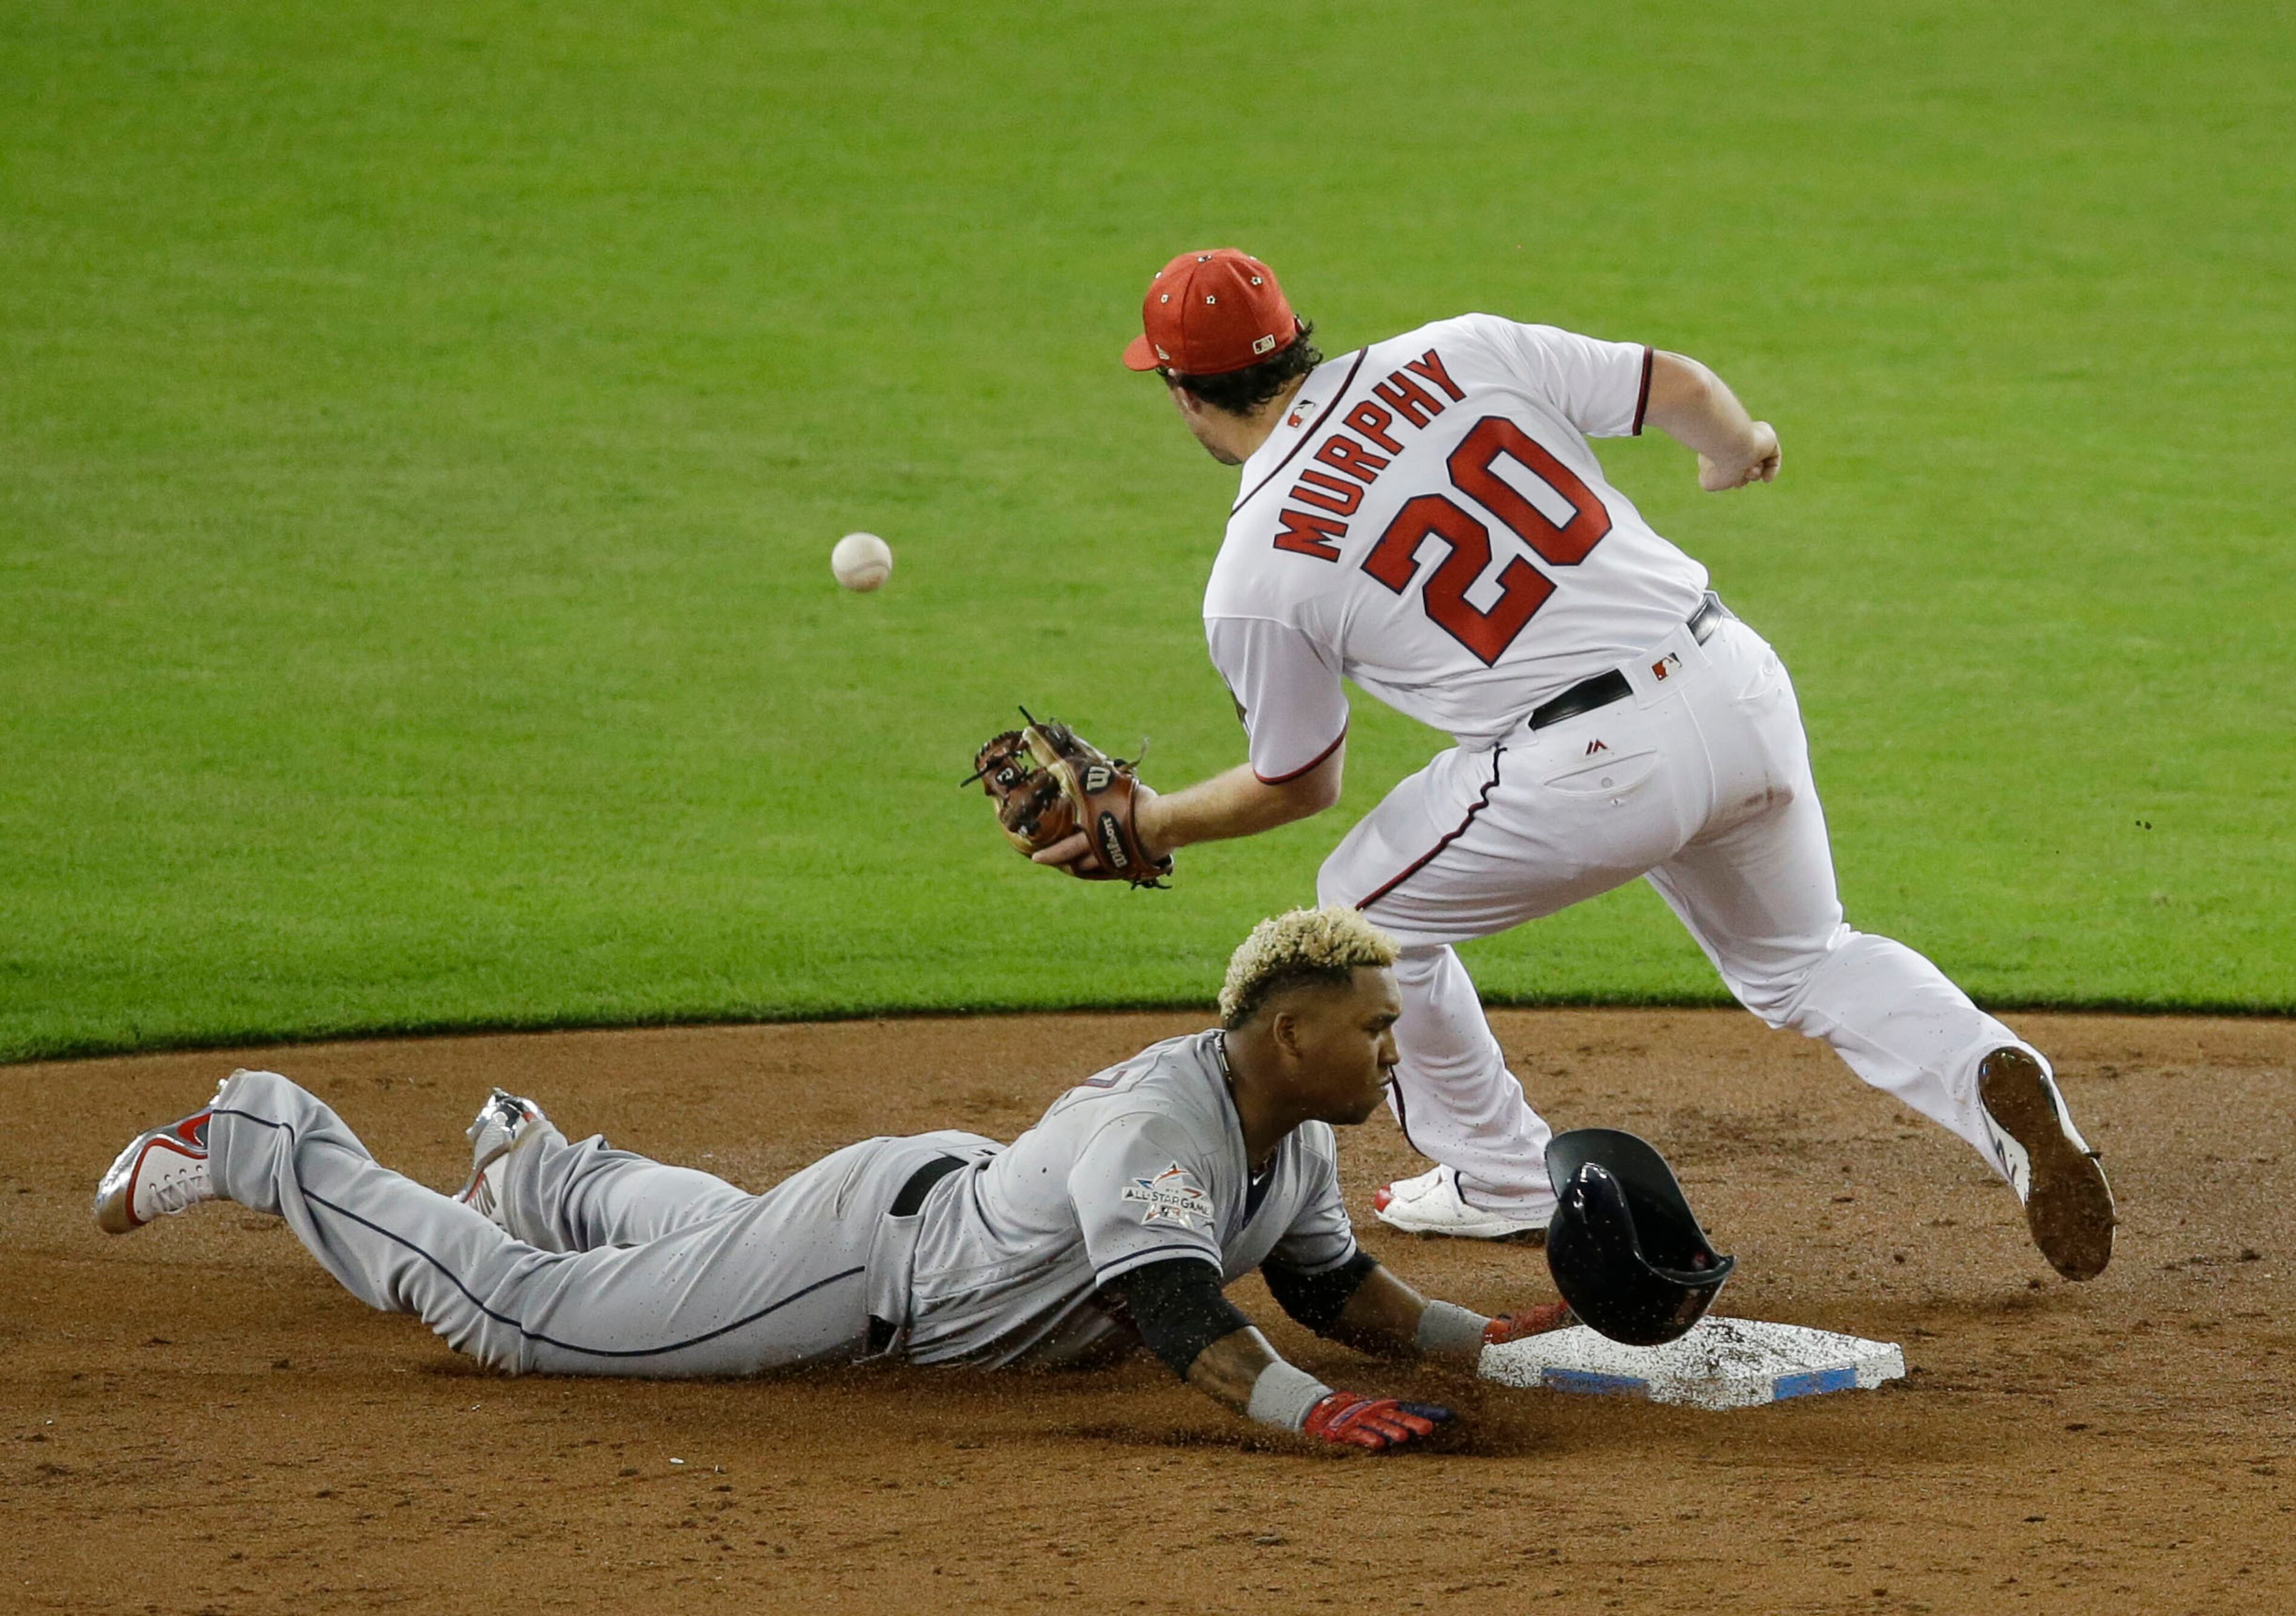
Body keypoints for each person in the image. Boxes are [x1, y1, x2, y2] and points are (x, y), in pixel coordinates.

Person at [1049, 248, 2112, 1280]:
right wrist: (1733, 450)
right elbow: (1682, 386)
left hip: (1591, 766)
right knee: (1806, 962)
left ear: (1185, 393)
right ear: (1293, 337)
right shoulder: (1457, 349)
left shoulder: (1256, 566)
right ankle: (1991, 1077)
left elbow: (1299, 780)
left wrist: (1155, 823)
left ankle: (1499, 1174)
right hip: (1733, 679)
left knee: (1366, 920)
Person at [91, 908, 1568, 1451]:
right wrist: (1319, 1421)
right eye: (1378, 1032)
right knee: (522, 1323)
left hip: (913, 1209)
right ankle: (269, 1139)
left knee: (703, 1246)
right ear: (1293, 1031)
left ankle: (546, 1170)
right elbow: (1184, 1317)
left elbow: (1326, 1281)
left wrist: (1482, 1339)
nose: (1396, 1057)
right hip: (872, 1270)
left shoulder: (1294, 1129)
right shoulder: (1163, 1130)